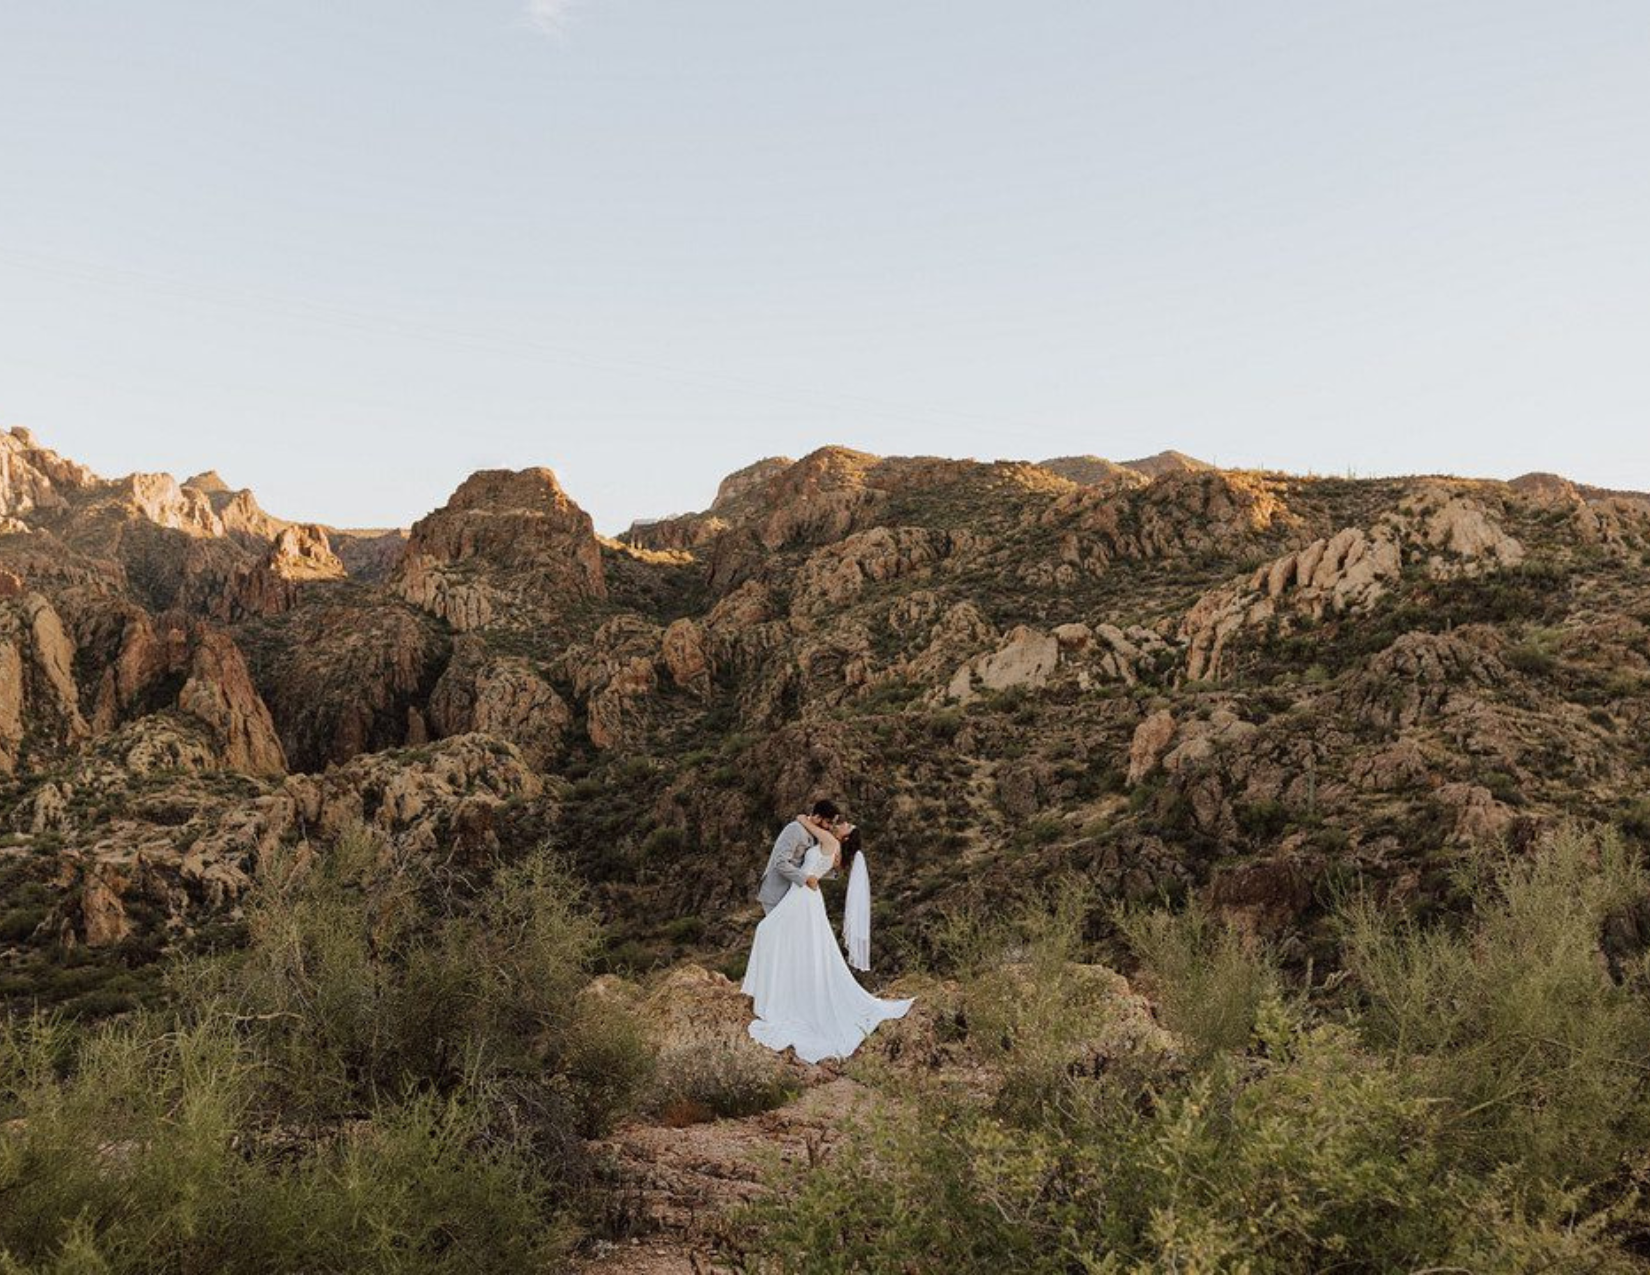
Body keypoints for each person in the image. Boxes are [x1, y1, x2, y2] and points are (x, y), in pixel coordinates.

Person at [743, 811, 913, 1063]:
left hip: (804, 896)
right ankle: (778, 988)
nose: (842, 823)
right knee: (790, 941)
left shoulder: (831, 842)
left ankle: (774, 992)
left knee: (767, 932)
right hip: (805, 895)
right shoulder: (835, 848)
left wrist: (804, 818)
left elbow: (808, 828)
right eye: (843, 821)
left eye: (846, 825)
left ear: (845, 838)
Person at [757, 799, 839, 914]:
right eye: (829, 822)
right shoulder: (794, 829)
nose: (830, 827)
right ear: (817, 817)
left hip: (793, 894)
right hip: (777, 893)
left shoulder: (816, 834)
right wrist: (806, 879)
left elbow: (807, 865)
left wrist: (832, 869)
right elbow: (780, 862)